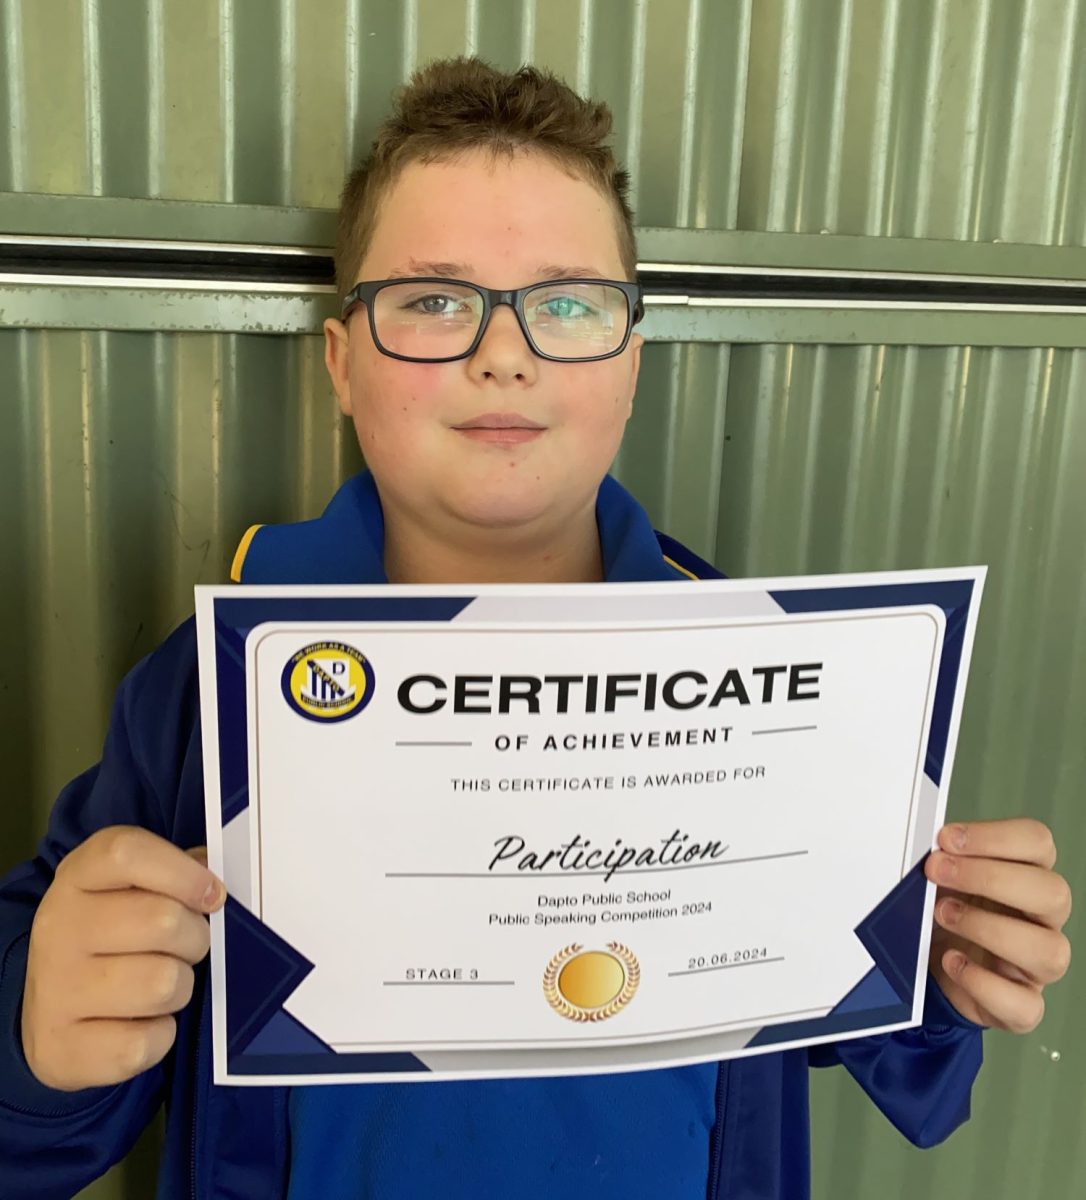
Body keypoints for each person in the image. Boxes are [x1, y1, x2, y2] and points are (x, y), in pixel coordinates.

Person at [0, 56, 1071, 1200]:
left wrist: (939, 973)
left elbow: (857, 1022)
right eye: (430, 300)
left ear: (633, 363)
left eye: (567, 301)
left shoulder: (780, 696)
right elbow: (39, 1129)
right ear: (341, 363)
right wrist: (40, 1042)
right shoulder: (206, 691)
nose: (501, 350)